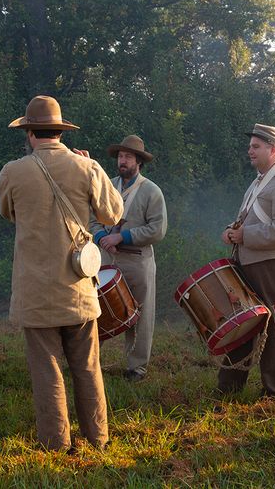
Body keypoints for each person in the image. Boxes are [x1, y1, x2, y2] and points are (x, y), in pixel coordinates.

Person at [0, 95, 123, 451]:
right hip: (78, 288)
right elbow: (113, 214)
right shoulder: (87, 167)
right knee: (87, 366)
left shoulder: (13, 171)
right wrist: (93, 167)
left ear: (30, 133)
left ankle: (56, 444)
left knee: (46, 370)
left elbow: (8, 212)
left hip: (36, 291)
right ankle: (97, 439)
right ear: (60, 131)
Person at [218, 124, 275, 400]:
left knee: (273, 329)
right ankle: (229, 387)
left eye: (256, 146)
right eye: (250, 146)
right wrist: (231, 230)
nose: (250, 151)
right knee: (242, 323)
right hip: (250, 262)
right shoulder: (259, 182)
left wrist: (245, 235)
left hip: (272, 264)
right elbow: (250, 220)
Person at [90, 135, 167, 382]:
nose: (122, 161)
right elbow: (92, 218)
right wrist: (101, 236)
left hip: (138, 261)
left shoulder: (151, 191)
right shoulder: (107, 186)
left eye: (128, 157)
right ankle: (89, 362)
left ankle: (137, 367)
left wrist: (122, 236)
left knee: (141, 314)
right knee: (97, 310)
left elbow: (157, 229)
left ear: (139, 162)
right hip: (107, 258)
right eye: (120, 156)